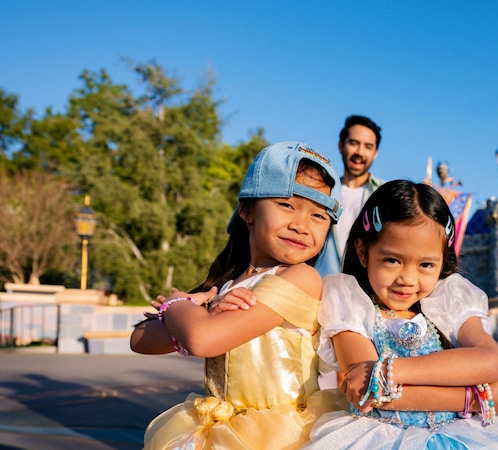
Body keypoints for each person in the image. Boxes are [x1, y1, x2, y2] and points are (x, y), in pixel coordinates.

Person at [304, 180, 498, 449]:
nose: (407, 279)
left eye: (426, 265)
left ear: (442, 262)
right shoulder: (349, 300)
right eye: (392, 260)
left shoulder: (448, 299)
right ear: (363, 252)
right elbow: (368, 391)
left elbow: (490, 361)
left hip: (463, 435)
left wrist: (389, 371)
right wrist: (476, 399)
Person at [130, 141, 345, 450]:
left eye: (319, 216)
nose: (301, 225)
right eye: (287, 205)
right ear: (247, 210)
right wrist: (202, 313)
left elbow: (202, 339)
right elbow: (140, 340)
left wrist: (178, 304)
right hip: (217, 433)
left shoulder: (300, 278)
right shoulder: (226, 285)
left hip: (283, 437)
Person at [315, 115, 384, 278]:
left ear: (375, 153)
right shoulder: (321, 193)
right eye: (354, 143)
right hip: (322, 289)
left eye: (368, 146)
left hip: (367, 292)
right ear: (341, 146)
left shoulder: (385, 195)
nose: (359, 152)